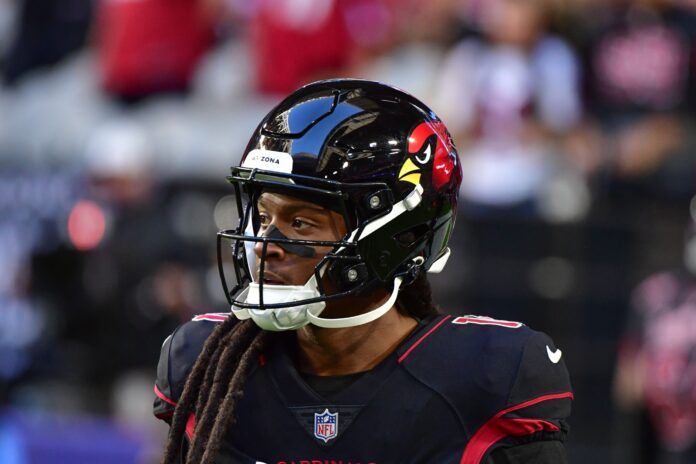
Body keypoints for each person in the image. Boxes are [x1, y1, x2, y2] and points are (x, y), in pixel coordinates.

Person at [153, 79, 573, 463]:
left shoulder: (489, 376)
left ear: (400, 236)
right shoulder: (212, 369)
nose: (265, 245)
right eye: (263, 217)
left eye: (301, 222)